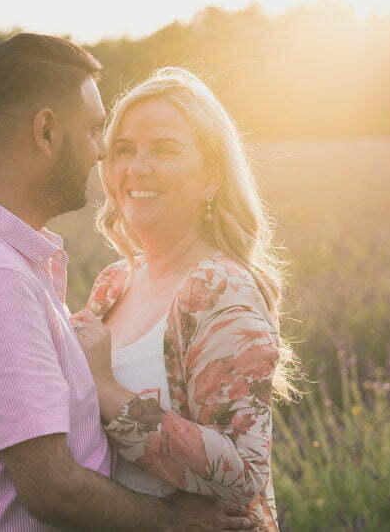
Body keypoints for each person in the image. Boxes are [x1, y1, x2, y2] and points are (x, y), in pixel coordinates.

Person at [0, 34, 259, 530]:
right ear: (46, 133)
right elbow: (54, 489)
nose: (101, 154)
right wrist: (172, 523)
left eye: (163, 149)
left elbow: (244, 469)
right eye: (100, 134)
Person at [70, 67, 304, 532]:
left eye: (164, 149)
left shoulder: (222, 289)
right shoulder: (113, 283)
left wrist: (106, 389)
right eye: (123, 150)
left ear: (212, 176)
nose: (136, 169)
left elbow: (241, 474)